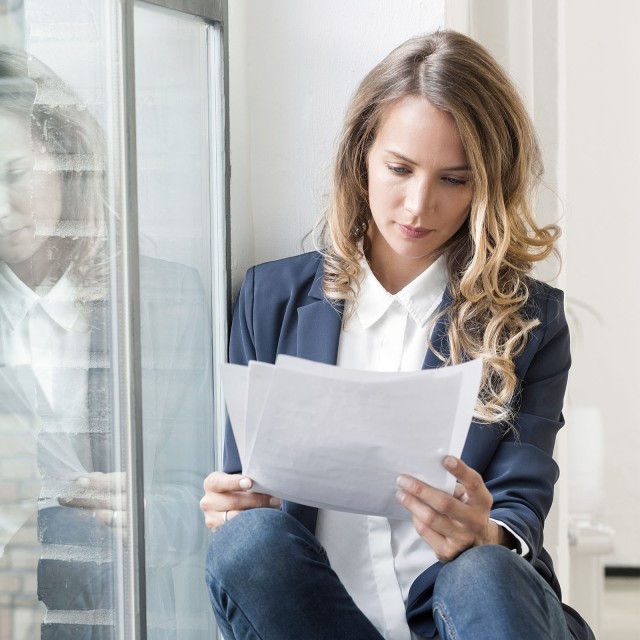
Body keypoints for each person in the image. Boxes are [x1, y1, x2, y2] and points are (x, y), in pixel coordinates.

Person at [200, 30, 593, 640]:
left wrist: (484, 531)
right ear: (362, 156)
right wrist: (230, 507)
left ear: (484, 186)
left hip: (466, 617)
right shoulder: (270, 299)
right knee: (248, 542)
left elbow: (521, 502)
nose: (418, 205)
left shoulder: (529, 322)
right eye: (400, 169)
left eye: (453, 180)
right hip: (319, 618)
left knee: (483, 569)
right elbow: (249, 484)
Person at [0, 48, 212, 639]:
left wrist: (140, 513)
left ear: (64, 158)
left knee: (79, 542)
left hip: (116, 596)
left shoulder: (165, 299)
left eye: (15, 175)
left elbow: (206, 501)